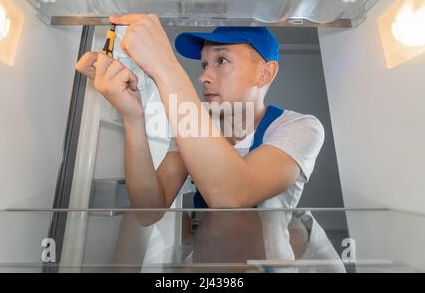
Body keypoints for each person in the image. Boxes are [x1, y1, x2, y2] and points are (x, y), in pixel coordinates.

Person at [75, 14, 325, 223]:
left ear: (265, 73)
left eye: (221, 60)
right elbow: (149, 211)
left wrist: (164, 65)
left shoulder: (299, 127)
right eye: (204, 64)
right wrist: (133, 118)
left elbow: (232, 194)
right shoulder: (199, 122)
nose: (203, 76)